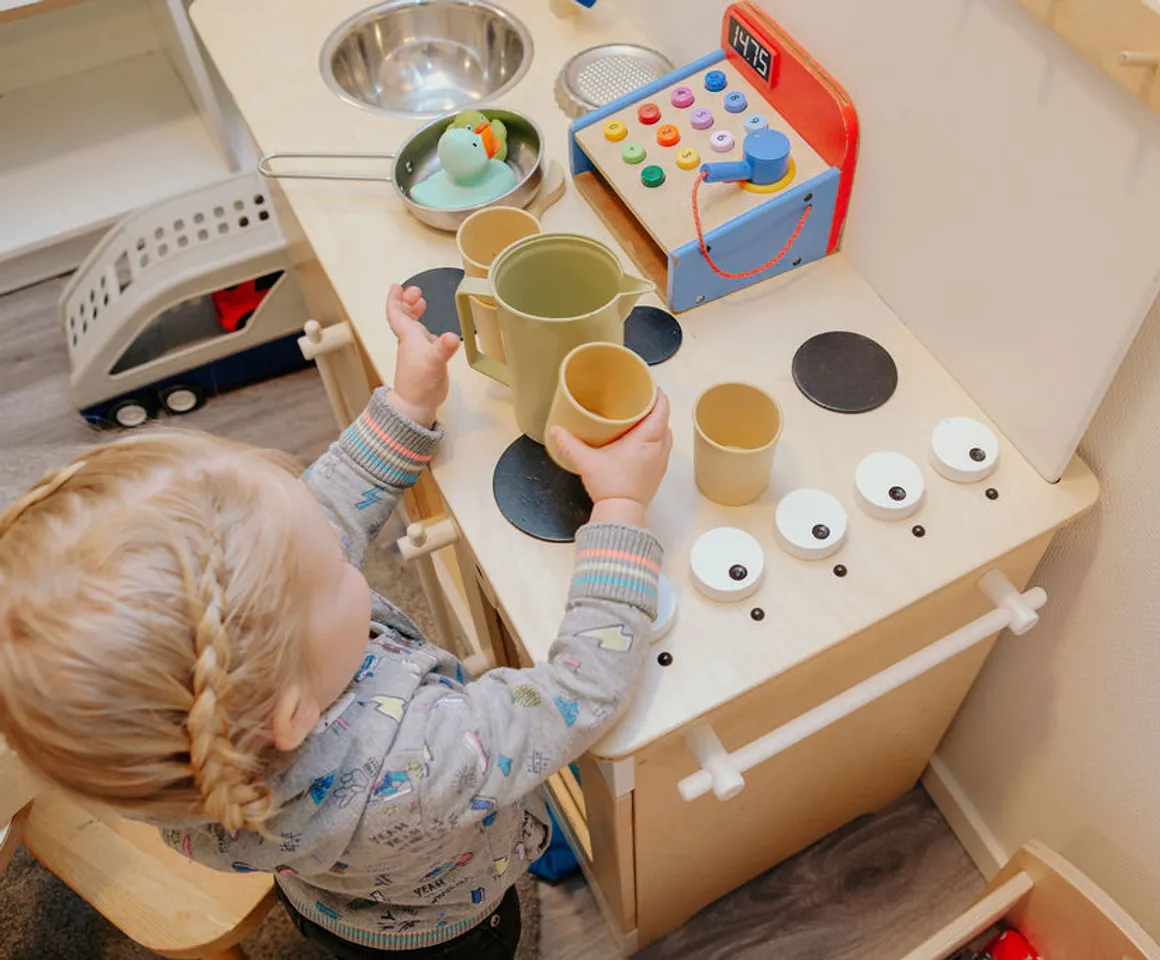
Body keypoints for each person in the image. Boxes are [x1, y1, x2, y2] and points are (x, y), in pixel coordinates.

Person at [0, 283, 672, 959]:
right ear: (292, 713)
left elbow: (325, 508)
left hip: (328, 902)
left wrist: (407, 406)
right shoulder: (419, 764)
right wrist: (618, 506)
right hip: (451, 931)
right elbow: (582, 692)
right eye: (336, 569)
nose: (345, 548)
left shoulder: (174, 760)